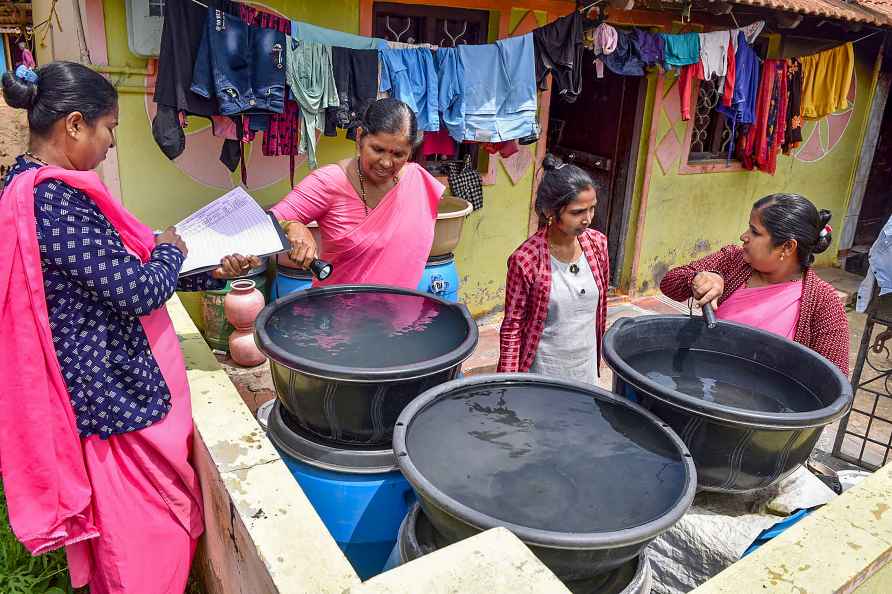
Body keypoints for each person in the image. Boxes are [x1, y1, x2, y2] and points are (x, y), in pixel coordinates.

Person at [0, 61, 259, 594]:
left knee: (142, 528)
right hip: (111, 397)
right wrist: (168, 249)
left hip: (108, 388)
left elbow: (112, 269)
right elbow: (137, 288)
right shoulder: (53, 201)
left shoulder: (35, 186)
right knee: (143, 541)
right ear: (74, 124)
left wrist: (207, 267)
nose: (112, 142)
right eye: (110, 128)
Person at [660, 193, 849, 374]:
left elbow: (831, 381)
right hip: (700, 381)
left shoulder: (823, 304)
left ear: (787, 247)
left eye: (755, 232)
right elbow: (669, 283)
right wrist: (699, 278)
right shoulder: (733, 261)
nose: (744, 236)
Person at [270, 97, 444, 289]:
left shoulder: (418, 182)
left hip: (399, 311)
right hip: (338, 313)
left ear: (410, 151)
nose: (386, 163)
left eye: (398, 154)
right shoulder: (330, 182)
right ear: (360, 137)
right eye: (378, 149)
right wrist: (292, 226)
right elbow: (263, 226)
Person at [497, 154, 610, 384]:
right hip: (543, 375)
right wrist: (507, 385)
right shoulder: (526, 260)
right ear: (550, 211)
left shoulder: (598, 244)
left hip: (585, 370)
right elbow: (513, 326)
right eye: (577, 212)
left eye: (591, 209)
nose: (587, 219)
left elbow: (600, 308)